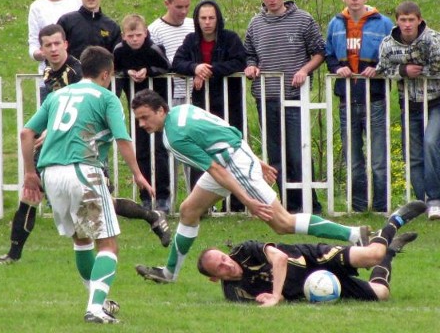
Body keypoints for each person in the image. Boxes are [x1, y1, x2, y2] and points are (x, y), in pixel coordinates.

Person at [130, 90, 371, 284]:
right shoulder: (182, 110)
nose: (141, 124)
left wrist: (247, 200)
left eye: (145, 117)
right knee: (189, 210)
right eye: (138, 119)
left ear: (161, 110)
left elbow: (216, 170)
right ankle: (169, 273)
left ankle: (352, 234)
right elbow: (227, 132)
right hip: (233, 157)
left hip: (232, 166)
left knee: (282, 223)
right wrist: (255, 159)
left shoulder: (173, 138)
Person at [0, 25, 170, 264]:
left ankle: (150, 217)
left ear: (66, 44)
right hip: (59, 148)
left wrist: (52, 130)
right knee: (32, 195)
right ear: (41, 49)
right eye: (48, 45)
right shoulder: (49, 73)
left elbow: (83, 114)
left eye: (57, 43)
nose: (54, 49)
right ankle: (14, 254)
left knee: (103, 206)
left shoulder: (81, 72)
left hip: (86, 150)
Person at [20, 46, 155, 324]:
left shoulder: (57, 95)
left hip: (50, 174)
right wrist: (139, 175)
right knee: (107, 244)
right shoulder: (107, 98)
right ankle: (95, 309)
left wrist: (29, 174)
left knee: (82, 240)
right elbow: (123, 139)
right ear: (106, 74)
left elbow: (26, 132)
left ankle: (99, 301)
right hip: (83, 171)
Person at [196, 200, 425, 306]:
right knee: (381, 293)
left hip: (312, 257)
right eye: (221, 268)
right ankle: (391, 250)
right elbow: (275, 301)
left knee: (372, 255)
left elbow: (280, 258)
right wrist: (278, 298)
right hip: (311, 287)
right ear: (214, 278)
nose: (228, 264)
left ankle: (394, 220)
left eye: (224, 258)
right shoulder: (234, 293)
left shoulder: (244, 251)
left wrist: (275, 295)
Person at [244, 0, 325, 213]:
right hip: (265, 97)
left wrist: (304, 70)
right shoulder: (255, 24)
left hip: (293, 96)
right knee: (275, 155)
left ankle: (310, 204)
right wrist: (250, 66)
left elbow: (319, 52)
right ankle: (288, 205)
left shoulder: (303, 20)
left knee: (298, 151)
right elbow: (249, 54)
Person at [325, 0, 393, 212]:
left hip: (375, 98)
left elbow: (393, 54)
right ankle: (358, 206)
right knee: (353, 158)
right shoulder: (335, 24)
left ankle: (381, 207)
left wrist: (380, 69)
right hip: (346, 99)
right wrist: (336, 68)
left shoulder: (383, 23)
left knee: (378, 159)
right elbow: (329, 54)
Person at [172, 0, 246, 195]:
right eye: (203, 18)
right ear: (197, 19)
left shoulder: (230, 39)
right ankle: (202, 201)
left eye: (211, 18)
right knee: (202, 152)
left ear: (218, 19)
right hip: (201, 106)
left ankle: (238, 200)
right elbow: (177, 62)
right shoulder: (191, 40)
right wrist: (194, 67)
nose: (207, 22)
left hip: (229, 103)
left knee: (232, 150)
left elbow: (240, 62)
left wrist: (209, 71)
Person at [376, 1, 440, 220]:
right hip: (409, 103)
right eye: (403, 20)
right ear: (397, 21)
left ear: (419, 20)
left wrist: (418, 69)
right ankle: (421, 203)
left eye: (411, 19)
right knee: (412, 154)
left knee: (431, 143)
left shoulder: (432, 39)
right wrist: (403, 70)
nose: (407, 24)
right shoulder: (388, 43)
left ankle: (435, 198)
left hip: (435, 101)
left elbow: (435, 65)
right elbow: (381, 68)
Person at [113, 14, 171, 212]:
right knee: (141, 152)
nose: (135, 39)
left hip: (157, 109)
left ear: (146, 33)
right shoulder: (119, 51)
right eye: (131, 36)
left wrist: (149, 71)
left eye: (138, 35)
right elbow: (115, 68)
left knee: (160, 150)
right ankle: (146, 196)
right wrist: (127, 72)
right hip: (136, 108)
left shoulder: (154, 48)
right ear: (124, 36)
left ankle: (163, 197)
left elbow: (167, 66)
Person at [27, 0, 82, 100]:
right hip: (49, 76)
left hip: (76, 74)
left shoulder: (77, 0)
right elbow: (33, 44)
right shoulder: (36, 7)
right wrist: (41, 53)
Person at [57, 0, 121, 59]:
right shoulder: (66, 21)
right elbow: (55, 51)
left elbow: (118, 59)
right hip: (73, 72)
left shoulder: (112, 27)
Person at [148, 0, 194, 105]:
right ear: (167, 3)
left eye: (187, 6)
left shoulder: (194, 25)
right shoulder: (154, 30)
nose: (183, 11)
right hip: (170, 94)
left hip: (196, 92)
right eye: (179, 7)